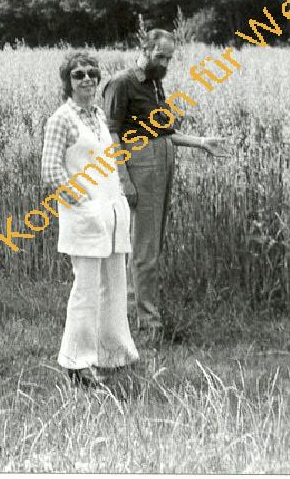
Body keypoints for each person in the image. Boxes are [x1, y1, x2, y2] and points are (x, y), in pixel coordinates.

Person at [102, 29, 228, 344]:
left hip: (162, 159)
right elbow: (111, 135)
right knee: (143, 248)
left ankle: (137, 318)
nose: (165, 63)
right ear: (143, 48)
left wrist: (201, 142)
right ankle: (148, 326)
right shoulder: (121, 83)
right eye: (160, 56)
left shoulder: (155, 83)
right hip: (140, 164)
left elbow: (164, 133)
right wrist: (123, 179)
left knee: (151, 245)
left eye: (169, 58)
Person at [42, 52, 139, 386]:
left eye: (92, 74)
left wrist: (114, 199)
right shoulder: (62, 119)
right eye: (78, 74)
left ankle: (114, 355)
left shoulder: (99, 116)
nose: (86, 79)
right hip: (85, 218)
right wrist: (83, 202)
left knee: (114, 287)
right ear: (67, 82)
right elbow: (51, 170)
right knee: (86, 291)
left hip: (111, 216)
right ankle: (78, 363)